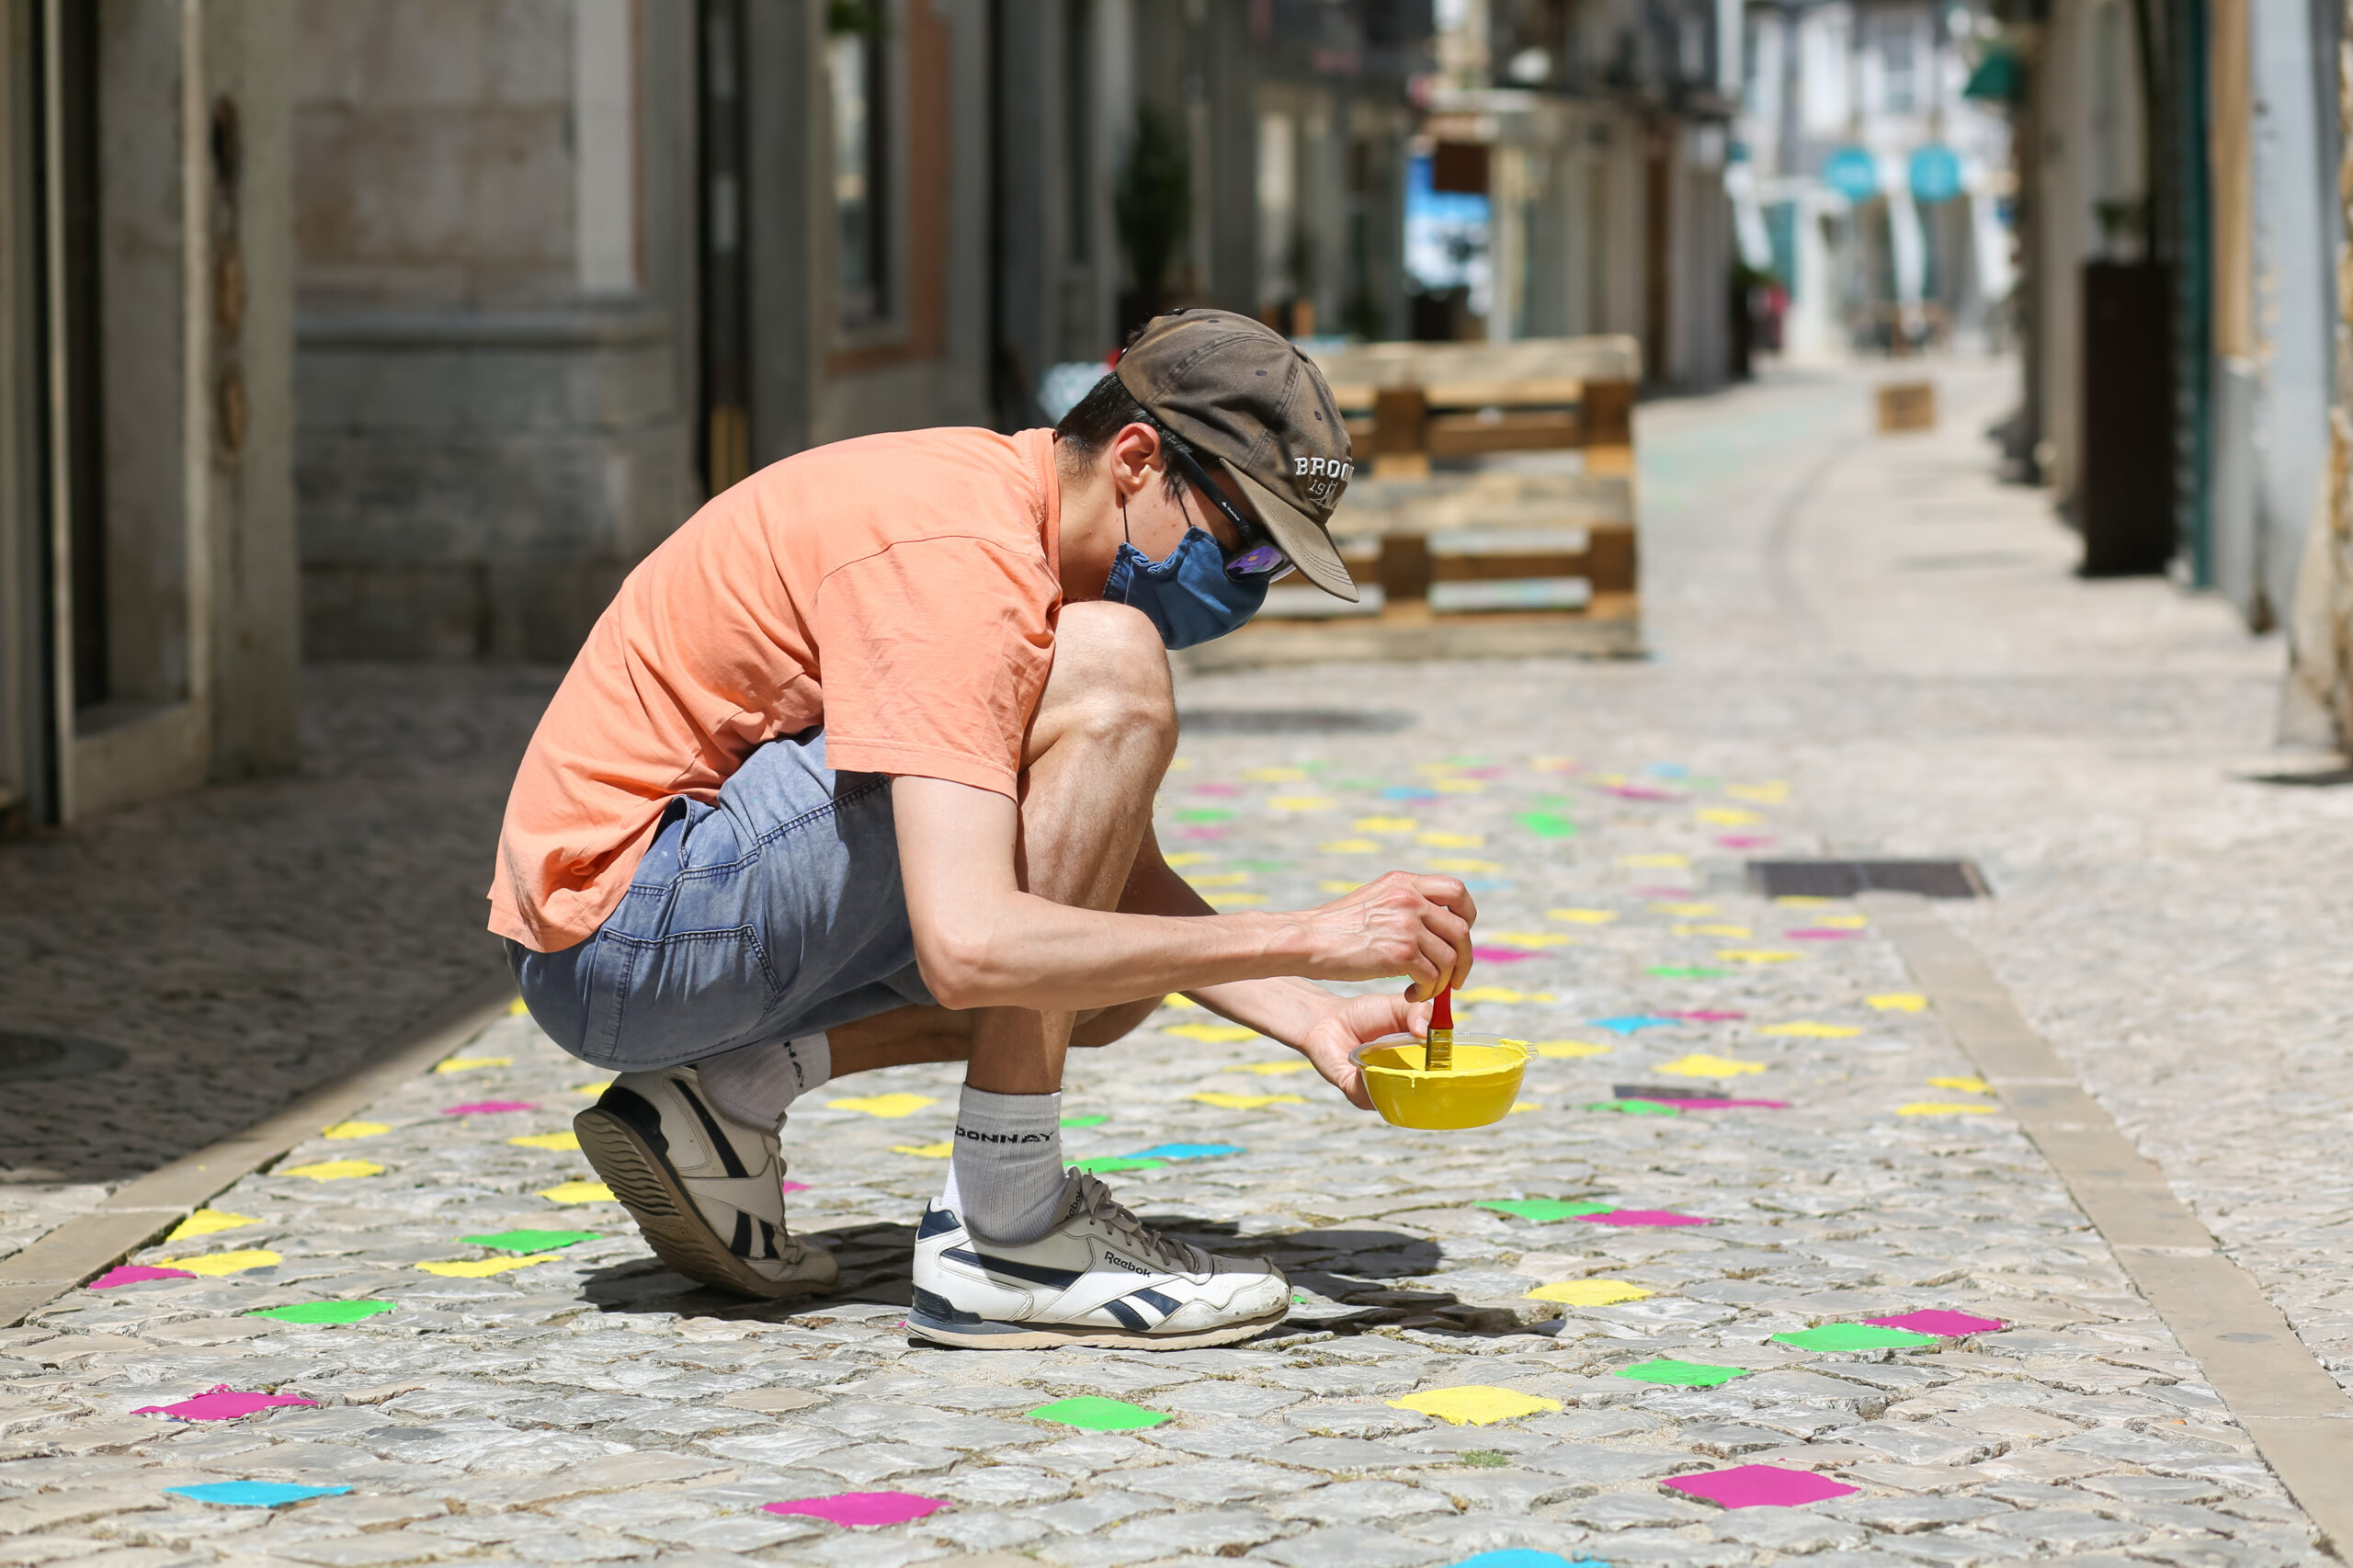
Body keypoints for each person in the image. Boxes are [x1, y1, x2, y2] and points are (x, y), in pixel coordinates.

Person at [492, 311, 1476, 1350]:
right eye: (1245, 547)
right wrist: (1314, 932)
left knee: (1105, 986)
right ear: (1137, 459)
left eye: (1269, 570)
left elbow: (1102, 883)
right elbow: (973, 945)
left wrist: (1309, 1013)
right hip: (628, 930)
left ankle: (727, 1090)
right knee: (1111, 665)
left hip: (641, 935)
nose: (1246, 589)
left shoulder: (1003, 515)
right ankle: (1007, 1232)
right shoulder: (962, 554)